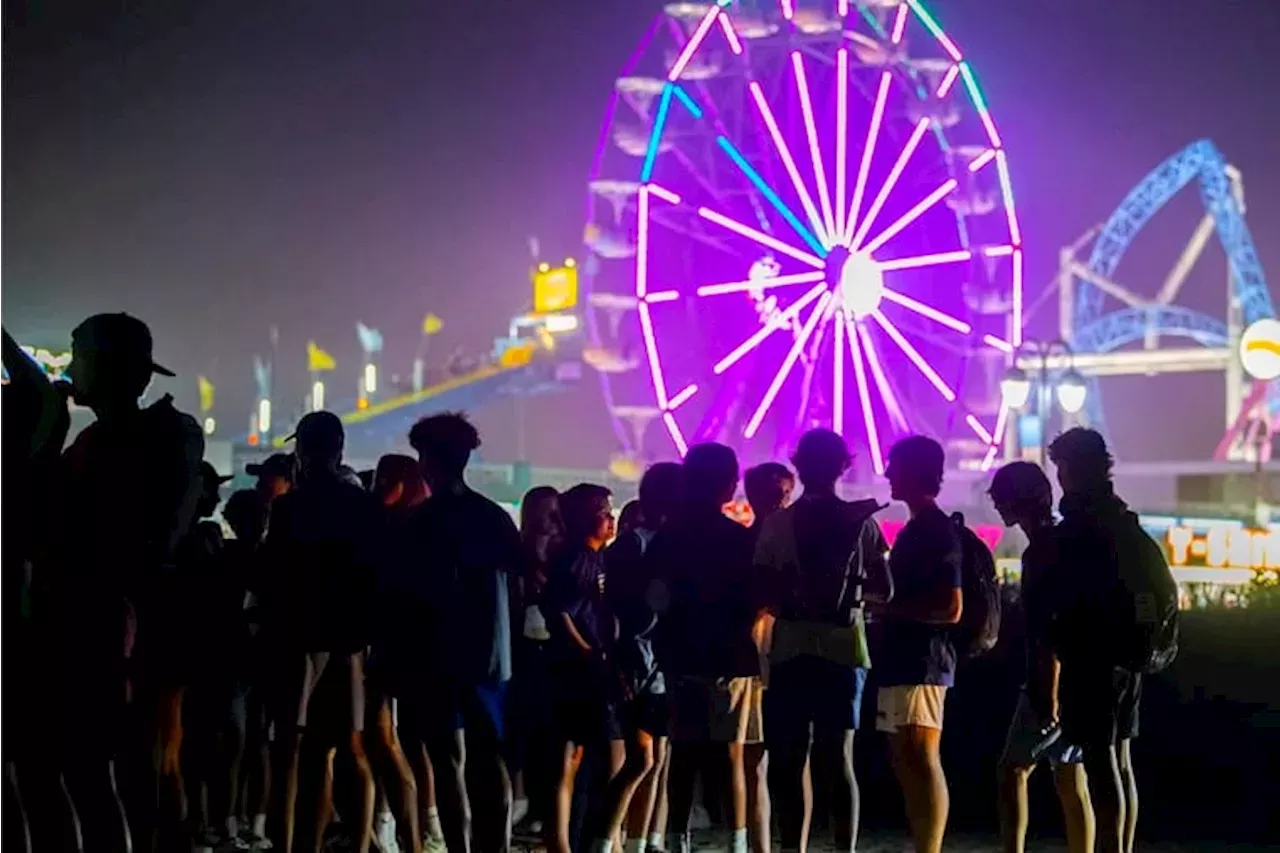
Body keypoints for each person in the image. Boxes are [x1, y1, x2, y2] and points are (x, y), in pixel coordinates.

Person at [56, 313, 204, 853]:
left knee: (127, 778)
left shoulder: (140, 442)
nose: (70, 369)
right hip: (135, 634)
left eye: (78, 357)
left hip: (124, 638)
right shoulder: (156, 437)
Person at [755, 431, 891, 853]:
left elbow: (762, 589)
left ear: (798, 466)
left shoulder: (778, 524)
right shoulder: (862, 523)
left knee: (791, 759)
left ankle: (793, 846)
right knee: (840, 758)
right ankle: (843, 847)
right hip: (845, 647)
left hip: (792, 647)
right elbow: (884, 590)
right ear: (843, 467)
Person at [261, 411, 379, 853]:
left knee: (292, 749)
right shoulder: (362, 505)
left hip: (298, 636)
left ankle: (290, 843)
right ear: (340, 449)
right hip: (348, 640)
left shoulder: (289, 507)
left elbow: (272, 574)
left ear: (302, 451)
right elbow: (373, 572)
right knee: (348, 747)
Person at [404, 411, 522, 853]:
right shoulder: (492, 516)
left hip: (436, 656)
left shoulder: (421, 521)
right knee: (491, 761)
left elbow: (406, 592)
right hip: (491, 658)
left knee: (446, 761)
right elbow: (523, 576)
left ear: (427, 461)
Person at [646, 443, 759, 853]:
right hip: (728, 657)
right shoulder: (736, 538)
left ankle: (677, 838)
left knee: (682, 754)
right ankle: (737, 841)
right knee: (729, 756)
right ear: (729, 485)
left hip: (678, 656)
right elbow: (753, 597)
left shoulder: (667, 537)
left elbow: (655, 597)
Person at [1047, 428, 1145, 853]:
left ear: (1073, 467)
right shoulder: (1122, 516)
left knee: (1101, 763)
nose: (1059, 477)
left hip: (1093, 656)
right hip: (1130, 653)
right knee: (1121, 762)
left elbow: (1070, 594)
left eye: (1061, 467)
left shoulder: (1082, 525)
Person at [989, 461, 1093, 853]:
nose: (997, 506)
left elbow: (1046, 629)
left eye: (1001, 498)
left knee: (1012, 770)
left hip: (1049, 679)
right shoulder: (1064, 544)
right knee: (1071, 775)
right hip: (1081, 675)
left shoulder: (1039, 554)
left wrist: (1047, 690)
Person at [876, 435, 962, 853]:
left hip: (921, 660)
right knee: (905, 758)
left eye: (894, 465)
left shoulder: (933, 529)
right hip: (906, 660)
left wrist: (888, 609)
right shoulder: (921, 527)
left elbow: (951, 607)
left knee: (921, 757)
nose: (887, 473)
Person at [603, 462, 683, 853]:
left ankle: (639, 840)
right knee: (641, 760)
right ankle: (605, 839)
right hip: (642, 664)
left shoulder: (648, 543)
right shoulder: (637, 545)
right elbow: (629, 612)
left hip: (657, 664)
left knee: (656, 759)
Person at [541, 482, 621, 853]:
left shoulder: (595, 556)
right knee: (571, 757)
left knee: (577, 757)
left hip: (585, 666)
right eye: (603, 511)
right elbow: (559, 611)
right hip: (577, 671)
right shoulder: (576, 558)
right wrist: (588, 651)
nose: (610, 517)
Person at [179, 462, 245, 853]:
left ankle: (202, 824)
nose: (216, 498)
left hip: (205, 657)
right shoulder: (200, 542)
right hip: (213, 658)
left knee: (203, 746)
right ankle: (212, 825)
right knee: (216, 745)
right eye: (210, 490)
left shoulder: (188, 539)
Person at [368, 454, 431, 853]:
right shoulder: (407, 525)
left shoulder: (404, 529)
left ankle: (408, 837)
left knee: (388, 743)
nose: (380, 486)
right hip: (397, 647)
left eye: (387, 479)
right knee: (388, 743)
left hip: (395, 649)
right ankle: (401, 834)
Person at [222, 488, 273, 850]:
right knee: (259, 744)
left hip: (233, 661)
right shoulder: (274, 561)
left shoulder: (224, 559)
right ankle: (256, 823)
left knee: (235, 743)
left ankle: (229, 822)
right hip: (266, 659)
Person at [510, 486, 563, 833]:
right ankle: (524, 800)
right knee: (523, 728)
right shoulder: (517, 549)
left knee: (550, 732)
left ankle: (545, 806)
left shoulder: (562, 552)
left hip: (555, 647)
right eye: (544, 511)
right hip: (523, 646)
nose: (550, 519)